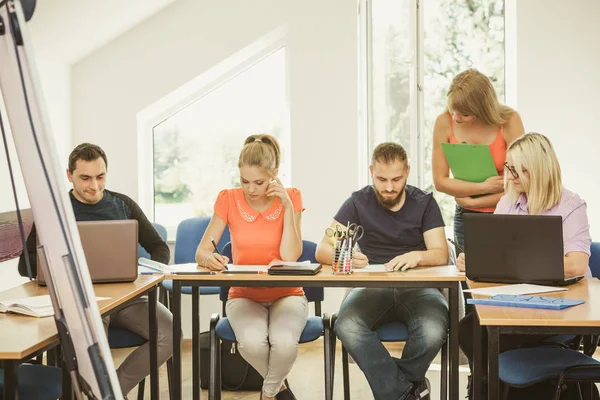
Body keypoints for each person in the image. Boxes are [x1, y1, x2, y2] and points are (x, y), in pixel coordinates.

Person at [18, 143, 173, 398]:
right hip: (79, 301)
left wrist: (146, 275)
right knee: (90, 341)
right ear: (69, 176)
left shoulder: (123, 204)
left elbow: (159, 248)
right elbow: (25, 266)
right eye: (85, 178)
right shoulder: (54, 211)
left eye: (100, 177)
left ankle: (111, 392)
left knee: (169, 332)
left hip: (126, 299)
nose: (94, 186)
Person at [457, 133, 592, 398]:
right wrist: (474, 258)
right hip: (515, 301)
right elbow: (493, 251)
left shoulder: (571, 206)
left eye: (517, 169)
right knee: (468, 328)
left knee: (492, 338)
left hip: (560, 307)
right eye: (508, 167)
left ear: (538, 170)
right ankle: (485, 391)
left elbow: (576, 264)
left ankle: (492, 392)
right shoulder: (508, 201)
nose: (509, 175)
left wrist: (516, 263)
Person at [316, 142, 449, 400]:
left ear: (408, 172)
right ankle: (408, 392)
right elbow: (322, 250)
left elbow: (441, 253)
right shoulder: (357, 202)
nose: (389, 187)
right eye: (382, 179)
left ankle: (396, 390)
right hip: (371, 287)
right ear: (371, 172)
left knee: (433, 330)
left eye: (396, 179)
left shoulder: (424, 203)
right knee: (346, 324)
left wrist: (416, 256)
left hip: (419, 288)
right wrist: (345, 256)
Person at [195, 134, 305, 400]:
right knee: (252, 343)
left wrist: (287, 207)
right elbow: (201, 251)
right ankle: (279, 389)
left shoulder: (291, 197)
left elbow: (290, 255)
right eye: (244, 181)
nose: (251, 189)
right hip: (243, 294)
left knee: (285, 344)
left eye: (259, 182)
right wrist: (209, 258)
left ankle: (267, 395)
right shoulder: (228, 199)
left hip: (287, 294)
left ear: (275, 175)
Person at [432, 68, 525, 255]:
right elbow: (441, 182)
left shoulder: (509, 121)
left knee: (508, 278)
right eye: (453, 109)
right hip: (466, 218)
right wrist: (485, 187)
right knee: (470, 278)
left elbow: (523, 181)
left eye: (465, 114)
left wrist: (473, 202)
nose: (457, 117)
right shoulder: (444, 122)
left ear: (482, 109)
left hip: (508, 212)